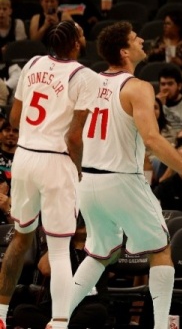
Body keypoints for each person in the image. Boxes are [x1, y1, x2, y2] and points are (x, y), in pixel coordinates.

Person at [67, 21, 182, 329]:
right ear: (124, 51)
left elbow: (72, 137)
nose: (142, 41)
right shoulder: (138, 87)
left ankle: (58, 320)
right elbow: (152, 139)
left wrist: (80, 171)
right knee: (160, 249)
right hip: (122, 178)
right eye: (135, 39)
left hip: (89, 182)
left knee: (99, 254)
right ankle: (160, 326)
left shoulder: (89, 83)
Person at [0, 20, 98, 329]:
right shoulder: (84, 76)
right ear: (76, 43)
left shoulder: (32, 63)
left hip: (24, 157)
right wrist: (80, 171)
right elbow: (74, 138)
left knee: (20, 239)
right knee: (58, 250)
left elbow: (15, 117)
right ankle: (59, 322)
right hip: (56, 161)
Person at [147, 10, 182, 82]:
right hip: (158, 75)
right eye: (164, 24)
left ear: (178, 27)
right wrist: (156, 52)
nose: (165, 26)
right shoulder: (158, 41)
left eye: (168, 24)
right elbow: (144, 59)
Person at [156, 65, 182, 144]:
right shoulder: (154, 104)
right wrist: (157, 104)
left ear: (179, 86)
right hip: (160, 143)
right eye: (163, 84)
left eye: (170, 84)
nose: (166, 87)